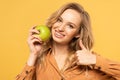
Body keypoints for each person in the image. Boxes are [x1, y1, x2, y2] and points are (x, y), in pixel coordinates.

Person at [16, 2, 120, 80]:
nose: (60, 28)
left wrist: (95, 60)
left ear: (78, 33)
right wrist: (33, 55)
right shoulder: (40, 60)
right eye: (59, 20)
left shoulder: (89, 61)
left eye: (70, 26)